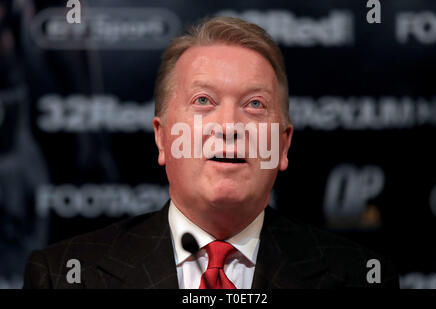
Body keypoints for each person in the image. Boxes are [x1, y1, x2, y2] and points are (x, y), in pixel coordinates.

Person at [23, 16, 399, 289]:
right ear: (162, 138)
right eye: (203, 100)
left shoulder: (359, 275)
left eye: (254, 105)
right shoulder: (65, 276)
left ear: (283, 145)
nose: (229, 126)